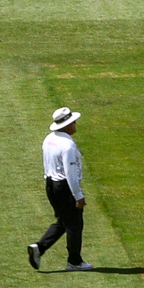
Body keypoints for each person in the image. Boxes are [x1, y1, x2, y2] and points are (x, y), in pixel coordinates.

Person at [30, 107, 94, 271]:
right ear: (66, 125)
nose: (75, 124)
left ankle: (39, 248)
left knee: (64, 221)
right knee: (74, 224)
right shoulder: (68, 145)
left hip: (51, 185)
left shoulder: (49, 139)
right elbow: (70, 173)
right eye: (72, 122)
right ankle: (75, 262)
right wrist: (78, 196)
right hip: (64, 187)